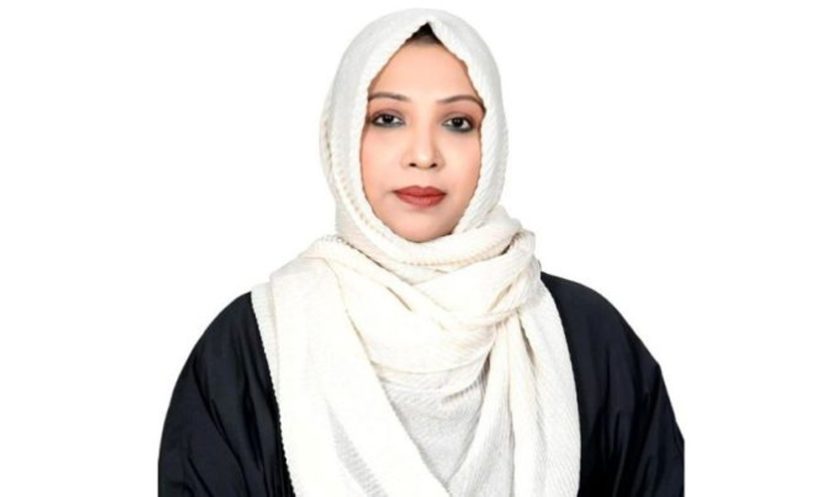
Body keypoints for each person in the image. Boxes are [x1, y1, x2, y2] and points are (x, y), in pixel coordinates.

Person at [158, 7, 684, 497]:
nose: (424, 155)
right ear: (342, 136)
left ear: (492, 143)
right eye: (388, 118)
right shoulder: (250, 345)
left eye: (457, 123)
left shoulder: (590, 339)